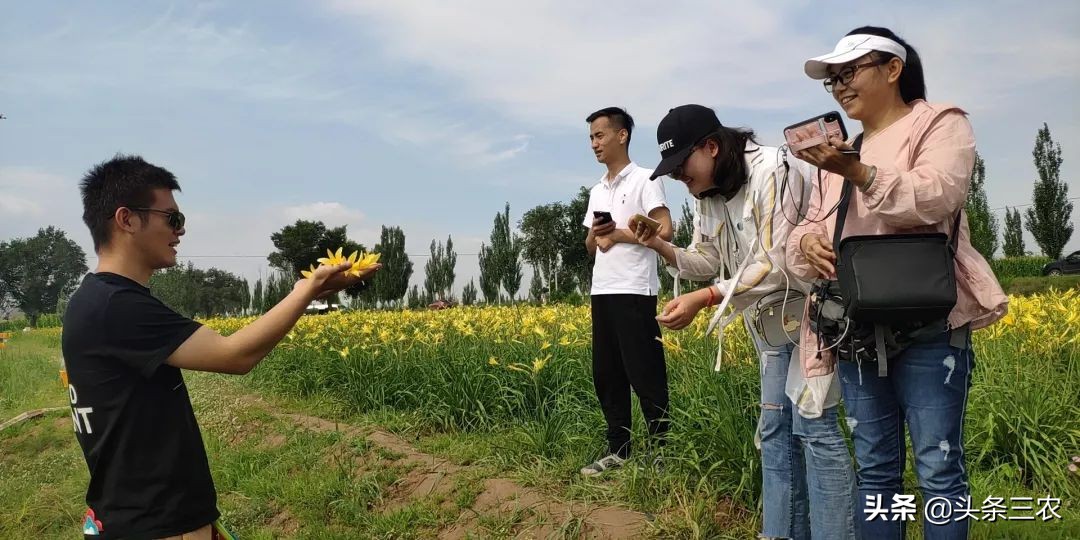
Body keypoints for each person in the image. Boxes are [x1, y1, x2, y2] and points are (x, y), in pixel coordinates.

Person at [62, 155, 381, 539]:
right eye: (173, 219)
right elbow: (235, 355)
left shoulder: (96, 299)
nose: (181, 231)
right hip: (156, 524)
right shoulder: (117, 306)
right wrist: (306, 291)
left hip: (132, 514)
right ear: (127, 219)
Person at [788, 27, 1008, 539]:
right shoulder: (841, 151)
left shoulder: (939, 123)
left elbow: (936, 196)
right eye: (833, 80)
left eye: (850, 72)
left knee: (937, 469)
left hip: (929, 327)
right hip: (858, 330)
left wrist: (858, 172)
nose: (840, 86)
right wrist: (805, 244)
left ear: (893, 69)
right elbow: (811, 221)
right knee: (876, 471)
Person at [635, 104, 856, 539]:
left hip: (814, 316)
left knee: (814, 428)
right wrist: (661, 247)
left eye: (682, 165)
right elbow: (706, 260)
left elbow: (776, 263)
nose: (681, 177)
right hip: (771, 324)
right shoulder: (708, 196)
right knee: (775, 431)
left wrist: (707, 297)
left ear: (712, 146)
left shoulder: (774, 168)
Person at [579, 107, 674, 476]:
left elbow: (665, 230)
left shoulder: (646, 179)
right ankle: (618, 449)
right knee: (607, 373)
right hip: (601, 290)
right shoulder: (596, 190)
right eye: (590, 138)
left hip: (635, 289)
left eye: (600, 135)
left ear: (622, 136)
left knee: (645, 370)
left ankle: (661, 450)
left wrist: (618, 234)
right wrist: (597, 232)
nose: (594, 144)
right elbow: (590, 246)